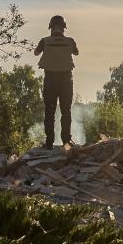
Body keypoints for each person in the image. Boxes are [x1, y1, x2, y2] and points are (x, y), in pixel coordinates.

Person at [34, 15, 78, 150]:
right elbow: (76, 53)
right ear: (64, 28)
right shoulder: (70, 41)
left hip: (50, 80)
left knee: (49, 112)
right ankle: (66, 141)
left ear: (50, 27)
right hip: (66, 80)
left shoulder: (44, 41)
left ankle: (49, 143)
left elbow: (36, 53)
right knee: (66, 111)